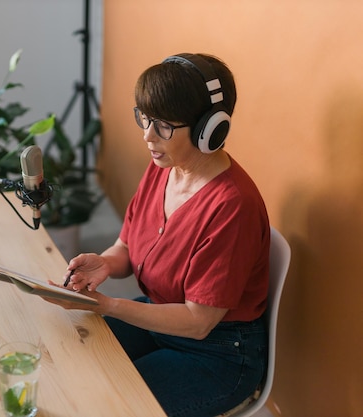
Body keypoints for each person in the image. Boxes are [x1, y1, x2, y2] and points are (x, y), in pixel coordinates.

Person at [43, 53, 270, 417]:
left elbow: (199, 322)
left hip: (218, 353)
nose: (148, 135)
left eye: (163, 125)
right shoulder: (164, 166)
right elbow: (127, 245)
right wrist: (105, 262)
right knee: (69, 352)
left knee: (108, 406)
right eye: (145, 118)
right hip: (159, 317)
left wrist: (111, 305)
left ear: (208, 129)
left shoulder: (231, 206)